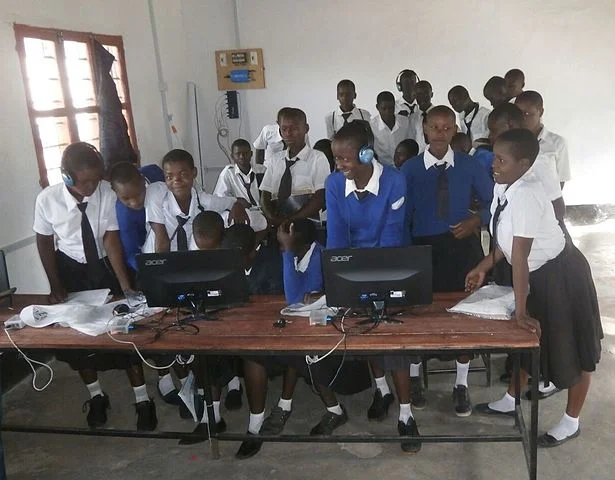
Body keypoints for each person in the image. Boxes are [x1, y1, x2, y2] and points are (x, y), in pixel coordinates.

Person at [469, 128, 602, 448]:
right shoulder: (505, 187)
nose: (494, 165)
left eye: (501, 160)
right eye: (494, 158)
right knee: (530, 342)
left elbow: (521, 254)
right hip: (536, 273)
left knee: (573, 348)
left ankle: (571, 421)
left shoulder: (526, 194)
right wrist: (485, 264)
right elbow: (505, 235)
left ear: (524, 164)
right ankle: (510, 399)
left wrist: (521, 306)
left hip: (561, 275)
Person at [33, 142, 156, 430]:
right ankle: (97, 396)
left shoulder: (105, 192)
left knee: (124, 333)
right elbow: (44, 241)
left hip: (104, 266)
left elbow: (111, 239)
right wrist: (55, 284)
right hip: (70, 269)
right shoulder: (47, 200)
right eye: (85, 181)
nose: (92, 186)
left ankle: (142, 400)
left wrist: (124, 284)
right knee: (80, 339)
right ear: (66, 176)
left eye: (96, 178)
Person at [326, 122, 421, 453]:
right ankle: (381, 391)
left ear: (366, 153)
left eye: (345, 159)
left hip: (391, 264)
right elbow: (336, 236)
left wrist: (377, 282)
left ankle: (406, 416)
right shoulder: (335, 184)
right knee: (365, 336)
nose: (339, 166)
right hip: (354, 268)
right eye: (336, 159)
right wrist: (338, 282)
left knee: (394, 345)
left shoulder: (395, 180)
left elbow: (392, 235)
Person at [401, 106, 494, 417]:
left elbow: (497, 203)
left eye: (447, 128)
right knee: (417, 313)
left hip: (461, 247)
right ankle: (414, 379)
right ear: (424, 130)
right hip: (422, 248)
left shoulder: (469, 165)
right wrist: (404, 254)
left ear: (455, 131)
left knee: (463, 313)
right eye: (435, 127)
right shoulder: (411, 169)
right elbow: (402, 214)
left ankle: (461, 383)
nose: (440, 133)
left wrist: (477, 221)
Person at [178, 210, 232, 445]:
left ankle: (212, 416)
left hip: (233, 320)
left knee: (210, 356)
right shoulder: (190, 256)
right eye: (201, 250)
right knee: (198, 352)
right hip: (206, 319)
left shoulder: (232, 255)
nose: (205, 255)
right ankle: (211, 417)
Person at [143, 149, 250, 253]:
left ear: (194, 172)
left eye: (183, 174)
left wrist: (237, 205)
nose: (176, 181)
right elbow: (162, 244)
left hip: (187, 263)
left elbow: (235, 202)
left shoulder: (204, 201)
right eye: (169, 176)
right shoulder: (158, 197)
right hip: (154, 260)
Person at [259, 108, 330, 226]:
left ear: (306, 129)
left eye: (294, 128)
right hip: (277, 223)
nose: (288, 133)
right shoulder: (275, 160)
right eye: (284, 129)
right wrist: (273, 218)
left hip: (306, 224)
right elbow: (265, 195)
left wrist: (290, 220)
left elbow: (320, 197)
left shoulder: (318, 158)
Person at [110, 162, 164, 274]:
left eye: (138, 194)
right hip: (149, 252)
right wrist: (147, 269)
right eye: (126, 198)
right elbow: (131, 253)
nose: (134, 203)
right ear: (115, 192)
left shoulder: (155, 174)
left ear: (143, 181)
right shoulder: (124, 214)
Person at [515, 91, 571, 187]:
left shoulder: (557, 143)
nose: (523, 118)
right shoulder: (511, 142)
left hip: (544, 200)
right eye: (518, 114)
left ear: (540, 112)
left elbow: (560, 182)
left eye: (528, 113)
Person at [213, 138, 268, 234]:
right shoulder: (228, 173)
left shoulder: (262, 171)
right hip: (241, 210)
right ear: (232, 156)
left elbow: (269, 195)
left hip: (261, 211)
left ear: (251, 154)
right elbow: (219, 197)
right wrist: (236, 201)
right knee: (225, 218)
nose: (242, 156)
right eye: (238, 154)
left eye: (245, 153)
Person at [278, 219, 323, 304]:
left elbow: (294, 298)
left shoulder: (320, 258)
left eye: (287, 243)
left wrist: (288, 251)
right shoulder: (296, 254)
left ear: (306, 247)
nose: (282, 248)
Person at [369, 91, 413, 167]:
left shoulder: (405, 122)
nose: (388, 112)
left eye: (391, 108)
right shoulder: (372, 126)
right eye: (384, 108)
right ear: (377, 107)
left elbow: (410, 144)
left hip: (404, 166)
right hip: (383, 168)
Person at [410, 81, 435, 151]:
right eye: (419, 94)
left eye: (426, 93)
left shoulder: (440, 114)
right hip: (420, 157)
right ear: (415, 96)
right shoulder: (412, 118)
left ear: (432, 94)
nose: (423, 97)